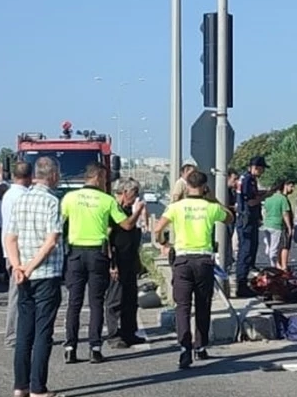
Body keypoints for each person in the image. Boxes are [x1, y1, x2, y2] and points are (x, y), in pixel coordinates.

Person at [60, 163, 143, 364]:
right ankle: (94, 348)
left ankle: (70, 347)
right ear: (98, 178)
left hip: (75, 253)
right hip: (97, 254)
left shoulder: (69, 198)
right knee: (96, 302)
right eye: (105, 179)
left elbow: (60, 225)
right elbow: (126, 224)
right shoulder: (107, 201)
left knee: (74, 302)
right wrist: (138, 211)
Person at [153, 169, 234, 370]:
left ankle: (184, 348)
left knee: (182, 306)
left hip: (182, 261)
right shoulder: (210, 207)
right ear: (204, 186)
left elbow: (157, 229)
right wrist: (213, 198)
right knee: (203, 305)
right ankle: (200, 346)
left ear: (186, 185)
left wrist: (164, 243)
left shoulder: (176, 207)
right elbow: (230, 217)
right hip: (204, 261)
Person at [4, 156, 65, 397]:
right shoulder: (52, 202)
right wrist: (30, 267)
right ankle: (39, 388)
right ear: (52, 176)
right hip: (45, 273)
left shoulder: (20, 200)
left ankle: (20, 385)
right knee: (43, 332)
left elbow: (10, 238)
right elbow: (51, 242)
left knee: (23, 331)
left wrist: (18, 266)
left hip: (22, 275)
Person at [105, 177, 147, 347]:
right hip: (117, 259)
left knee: (130, 298)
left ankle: (129, 332)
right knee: (115, 299)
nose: (135, 198)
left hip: (130, 259)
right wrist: (111, 264)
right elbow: (108, 238)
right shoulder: (113, 209)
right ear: (124, 192)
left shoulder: (128, 210)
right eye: (134, 194)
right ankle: (114, 336)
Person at [0, 162, 33, 347]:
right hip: (19, 252)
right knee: (18, 295)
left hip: (9, 250)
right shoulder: (23, 196)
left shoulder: (8, 195)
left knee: (19, 294)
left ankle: (18, 334)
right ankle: (12, 335)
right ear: (29, 177)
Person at [234, 156, 267, 296]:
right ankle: (241, 284)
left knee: (250, 251)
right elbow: (249, 201)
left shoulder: (249, 179)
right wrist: (264, 196)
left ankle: (244, 282)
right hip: (246, 220)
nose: (262, 172)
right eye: (262, 169)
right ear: (256, 167)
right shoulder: (247, 179)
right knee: (245, 252)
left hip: (249, 220)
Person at [261, 179, 294, 271]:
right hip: (277, 225)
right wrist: (289, 227)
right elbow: (285, 214)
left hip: (267, 224)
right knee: (275, 248)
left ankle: (275, 263)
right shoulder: (282, 198)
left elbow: (265, 210)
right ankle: (274, 266)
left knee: (272, 245)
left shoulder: (268, 197)